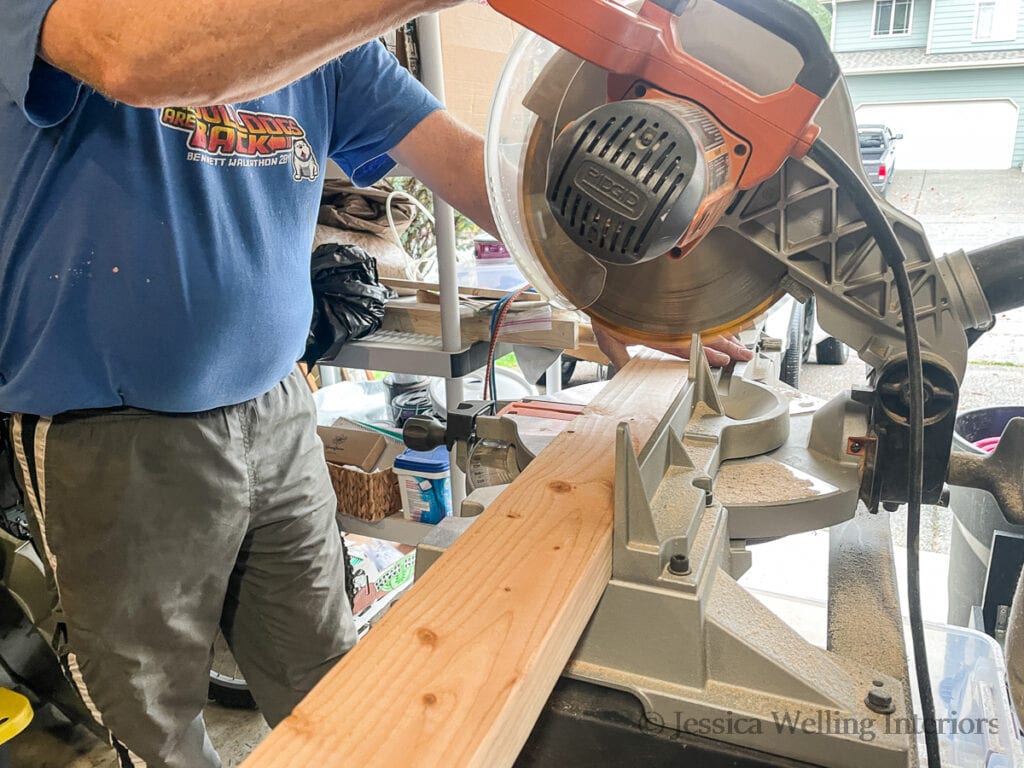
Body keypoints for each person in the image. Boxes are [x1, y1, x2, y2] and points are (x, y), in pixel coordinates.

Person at [0, 1, 751, 766]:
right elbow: (131, 59)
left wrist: (611, 288)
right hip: (109, 427)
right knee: (153, 723)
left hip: (278, 407)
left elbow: (468, 167)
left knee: (334, 681)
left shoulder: (316, 37)